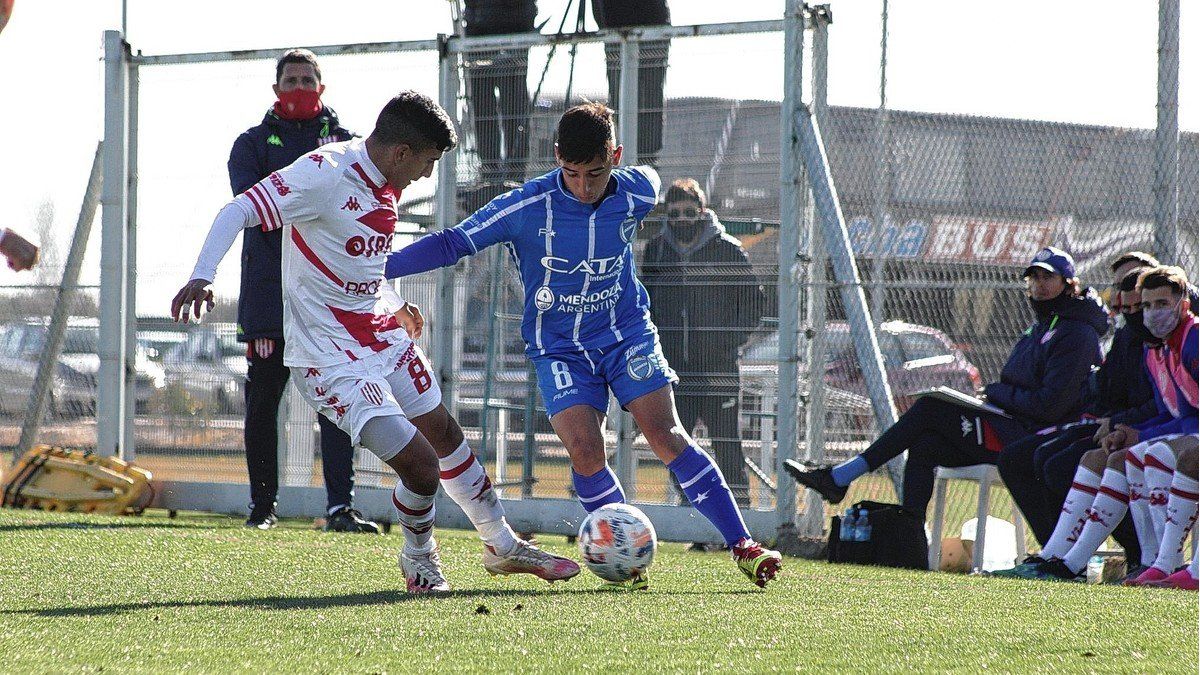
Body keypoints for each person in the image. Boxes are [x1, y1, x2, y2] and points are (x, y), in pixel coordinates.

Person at [172, 90, 579, 593]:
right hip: (328, 357)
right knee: (421, 465)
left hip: (380, 334)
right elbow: (237, 210)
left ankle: (501, 543)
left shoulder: (385, 180)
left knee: (446, 435)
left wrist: (391, 302)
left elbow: (356, 260)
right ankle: (419, 558)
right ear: (402, 152)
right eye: (428, 162)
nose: (428, 175)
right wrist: (203, 275)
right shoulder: (324, 172)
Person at [383, 102, 783, 588]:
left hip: (625, 335)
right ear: (557, 160)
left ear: (614, 156)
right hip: (559, 348)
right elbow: (450, 244)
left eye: (594, 173)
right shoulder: (525, 206)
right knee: (586, 452)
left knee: (666, 435)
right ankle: (624, 557)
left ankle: (742, 544)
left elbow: (652, 177)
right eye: (571, 173)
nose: (584, 186)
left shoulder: (637, 190)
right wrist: (378, 268)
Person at [785, 247, 1109, 520]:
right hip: (1010, 423)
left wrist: (996, 393)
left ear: (1070, 285)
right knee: (924, 444)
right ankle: (911, 537)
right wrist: (997, 397)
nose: (1039, 285)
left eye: (1048, 278)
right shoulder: (1042, 326)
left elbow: (1050, 406)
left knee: (930, 408)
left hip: (1034, 437)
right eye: (1034, 277)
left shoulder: (1075, 333)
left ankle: (839, 477)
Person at [227, 49, 371, 532]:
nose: (300, 87)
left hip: (328, 302)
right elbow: (259, 210)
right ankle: (262, 506)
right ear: (276, 90)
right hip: (270, 300)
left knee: (337, 402)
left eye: (308, 79)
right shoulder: (249, 145)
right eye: (291, 80)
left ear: (322, 88)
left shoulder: (348, 143)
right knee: (263, 404)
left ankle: (339, 508)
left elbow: (356, 210)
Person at [1017, 265, 1198, 582]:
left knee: (1150, 454)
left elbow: (1186, 417)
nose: (1149, 314)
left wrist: (1141, 433)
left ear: (1183, 305)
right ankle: (1065, 560)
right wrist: (1129, 431)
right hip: (1186, 431)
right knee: (1104, 457)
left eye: (1161, 304)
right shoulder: (1158, 349)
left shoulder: (1191, 342)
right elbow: (1177, 414)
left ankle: (1166, 562)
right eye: (1145, 306)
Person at [994, 267, 1156, 572]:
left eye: (1140, 303)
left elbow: (1170, 403)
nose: (1127, 303)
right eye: (1121, 292)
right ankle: (1055, 556)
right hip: (1110, 423)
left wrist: (1121, 421)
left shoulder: (1172, 340)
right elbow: (1107, 388)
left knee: (1059, 466)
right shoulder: (1125, 336)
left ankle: (1139, 557)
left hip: (1146, 429)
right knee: (1019, 458)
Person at [641, 178, 766, 506]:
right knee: (677, 447)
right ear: (667, 215)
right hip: (673, 370)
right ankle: (692, 520)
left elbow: (754, 301)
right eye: (675, 213)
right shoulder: (657, 250)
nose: (682, 220)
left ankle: (741, 517)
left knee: (727, 444)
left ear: (702, 210)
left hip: (718, 368)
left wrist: (729, 342)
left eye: (689, 212)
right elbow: (646, 302)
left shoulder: (727, 248)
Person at [463, 0, 535, 189]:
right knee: (491, 105)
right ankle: (499, 173)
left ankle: (504, 174)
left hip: (500, 24)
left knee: (509, 104)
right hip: (493, 24)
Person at [593, 0, 670, 168]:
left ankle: (647, 162)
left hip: (650, 25)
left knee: (649, 98)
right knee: (620, 97)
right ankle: (622, 158)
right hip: (614, 24)